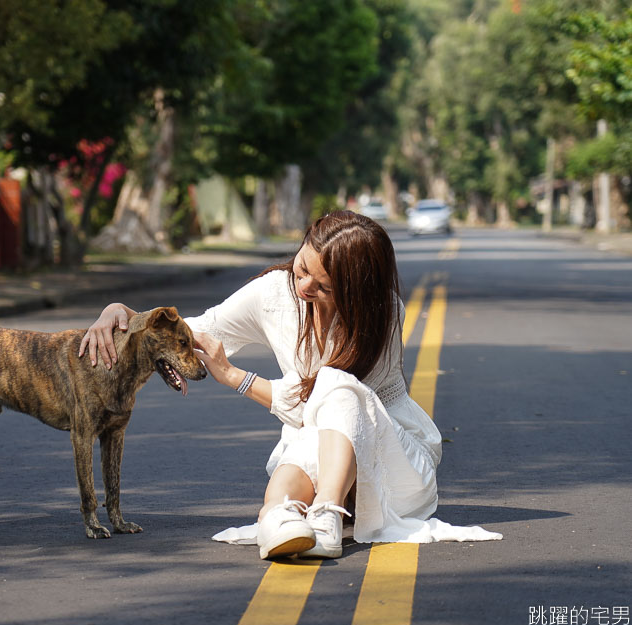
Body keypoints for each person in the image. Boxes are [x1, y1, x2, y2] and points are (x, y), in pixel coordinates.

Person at [79, 211, 501, 560]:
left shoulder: (382, 314)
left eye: (323, 286)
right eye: (302, 268)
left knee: (336, 388)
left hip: (395, 463)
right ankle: (278, 519)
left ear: (356, 290)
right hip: (317, 451)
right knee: (297, 456)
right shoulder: (274, 293)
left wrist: (237, 378)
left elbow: (318, 405)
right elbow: (191, 331)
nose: (303, 287)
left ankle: (328, 519)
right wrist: (121, 315)